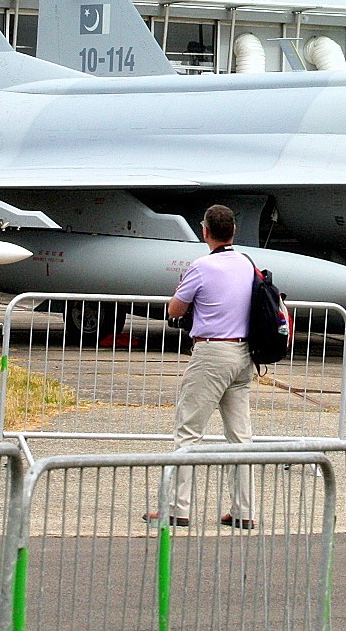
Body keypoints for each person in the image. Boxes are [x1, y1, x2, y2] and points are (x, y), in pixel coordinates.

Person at [144, 204, 256, 530]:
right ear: (233, 231)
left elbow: (176, 309)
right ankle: (242, 510)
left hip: (211, 355)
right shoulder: (247, 264)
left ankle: (177, 508)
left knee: (188, 433)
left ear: (205, 231)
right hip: (243, 354)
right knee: (240, 437)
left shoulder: (202, 266)